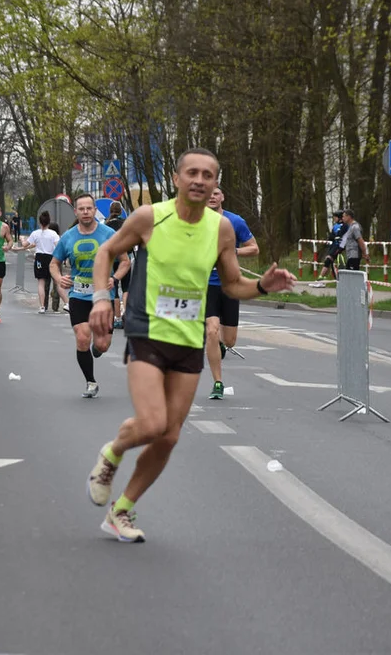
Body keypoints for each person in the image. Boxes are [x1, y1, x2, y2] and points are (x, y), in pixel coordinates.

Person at [84, 147, 296, 542]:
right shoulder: (150, 217)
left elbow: (232, 283)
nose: (200, 180)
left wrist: (264, 285)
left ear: (216, 184)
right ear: (178, 179)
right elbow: (107, 251)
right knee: (152, 423)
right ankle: (113, 454)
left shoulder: (221, 230)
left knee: (169, 436)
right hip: (147, 329)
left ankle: (122, 510)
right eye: (192, 173)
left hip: (188, 337)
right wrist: (100, 299)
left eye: (208, 175)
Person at [49, 194, 130, 398]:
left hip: (104, 295)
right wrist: (59, 278)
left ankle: (98, 348)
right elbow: (53, 263)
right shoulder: (68, 237)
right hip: (79, 295)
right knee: (82, 338)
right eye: (81, 209)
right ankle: (91, 382)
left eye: (89, 208)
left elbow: (125, 261)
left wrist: (116, 278)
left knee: (102, 344)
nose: (85, 212)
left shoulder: (109, 234)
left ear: (95, 210)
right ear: (76, 212)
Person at [204, 185, 258, 400]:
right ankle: (217, 382)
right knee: (211, 330)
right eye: (208, 194)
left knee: (230, 340)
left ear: (222, 197)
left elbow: (254, 247)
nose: (212, 197)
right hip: (205, 285)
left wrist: (233, 251)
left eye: (216, 193)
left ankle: (219, 344)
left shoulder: (234, 221)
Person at [18, 210, 59, 313]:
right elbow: (59, 246)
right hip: (51, 257)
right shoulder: (53, 234)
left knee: (41, 283)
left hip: (40, 258)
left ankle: (42, 306)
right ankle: (66, 303)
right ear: (49, 222)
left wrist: (22, 239)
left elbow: (25, 245)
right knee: (57, 281)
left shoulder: (35, 233)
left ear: (39, 222)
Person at [105, 202, 128, 327]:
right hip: (126, 259)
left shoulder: (106, 225)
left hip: (112, 259)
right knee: (126, 288)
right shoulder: (126, 224)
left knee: (114, 289)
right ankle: (127, 315)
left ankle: (117, 318)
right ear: (121, 211)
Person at [318, 211, 348, 280]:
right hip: (333, 246)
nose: (334, 218)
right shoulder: (335, 226)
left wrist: (337, 237)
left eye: (335, 217)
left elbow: (341, 235)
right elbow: (331, 237)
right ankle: (334, 278)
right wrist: (335, 237)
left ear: (340, 218)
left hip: (339, 246)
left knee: (329, 260)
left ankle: (321, 278)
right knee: (330, 262)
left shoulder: (344, 226)